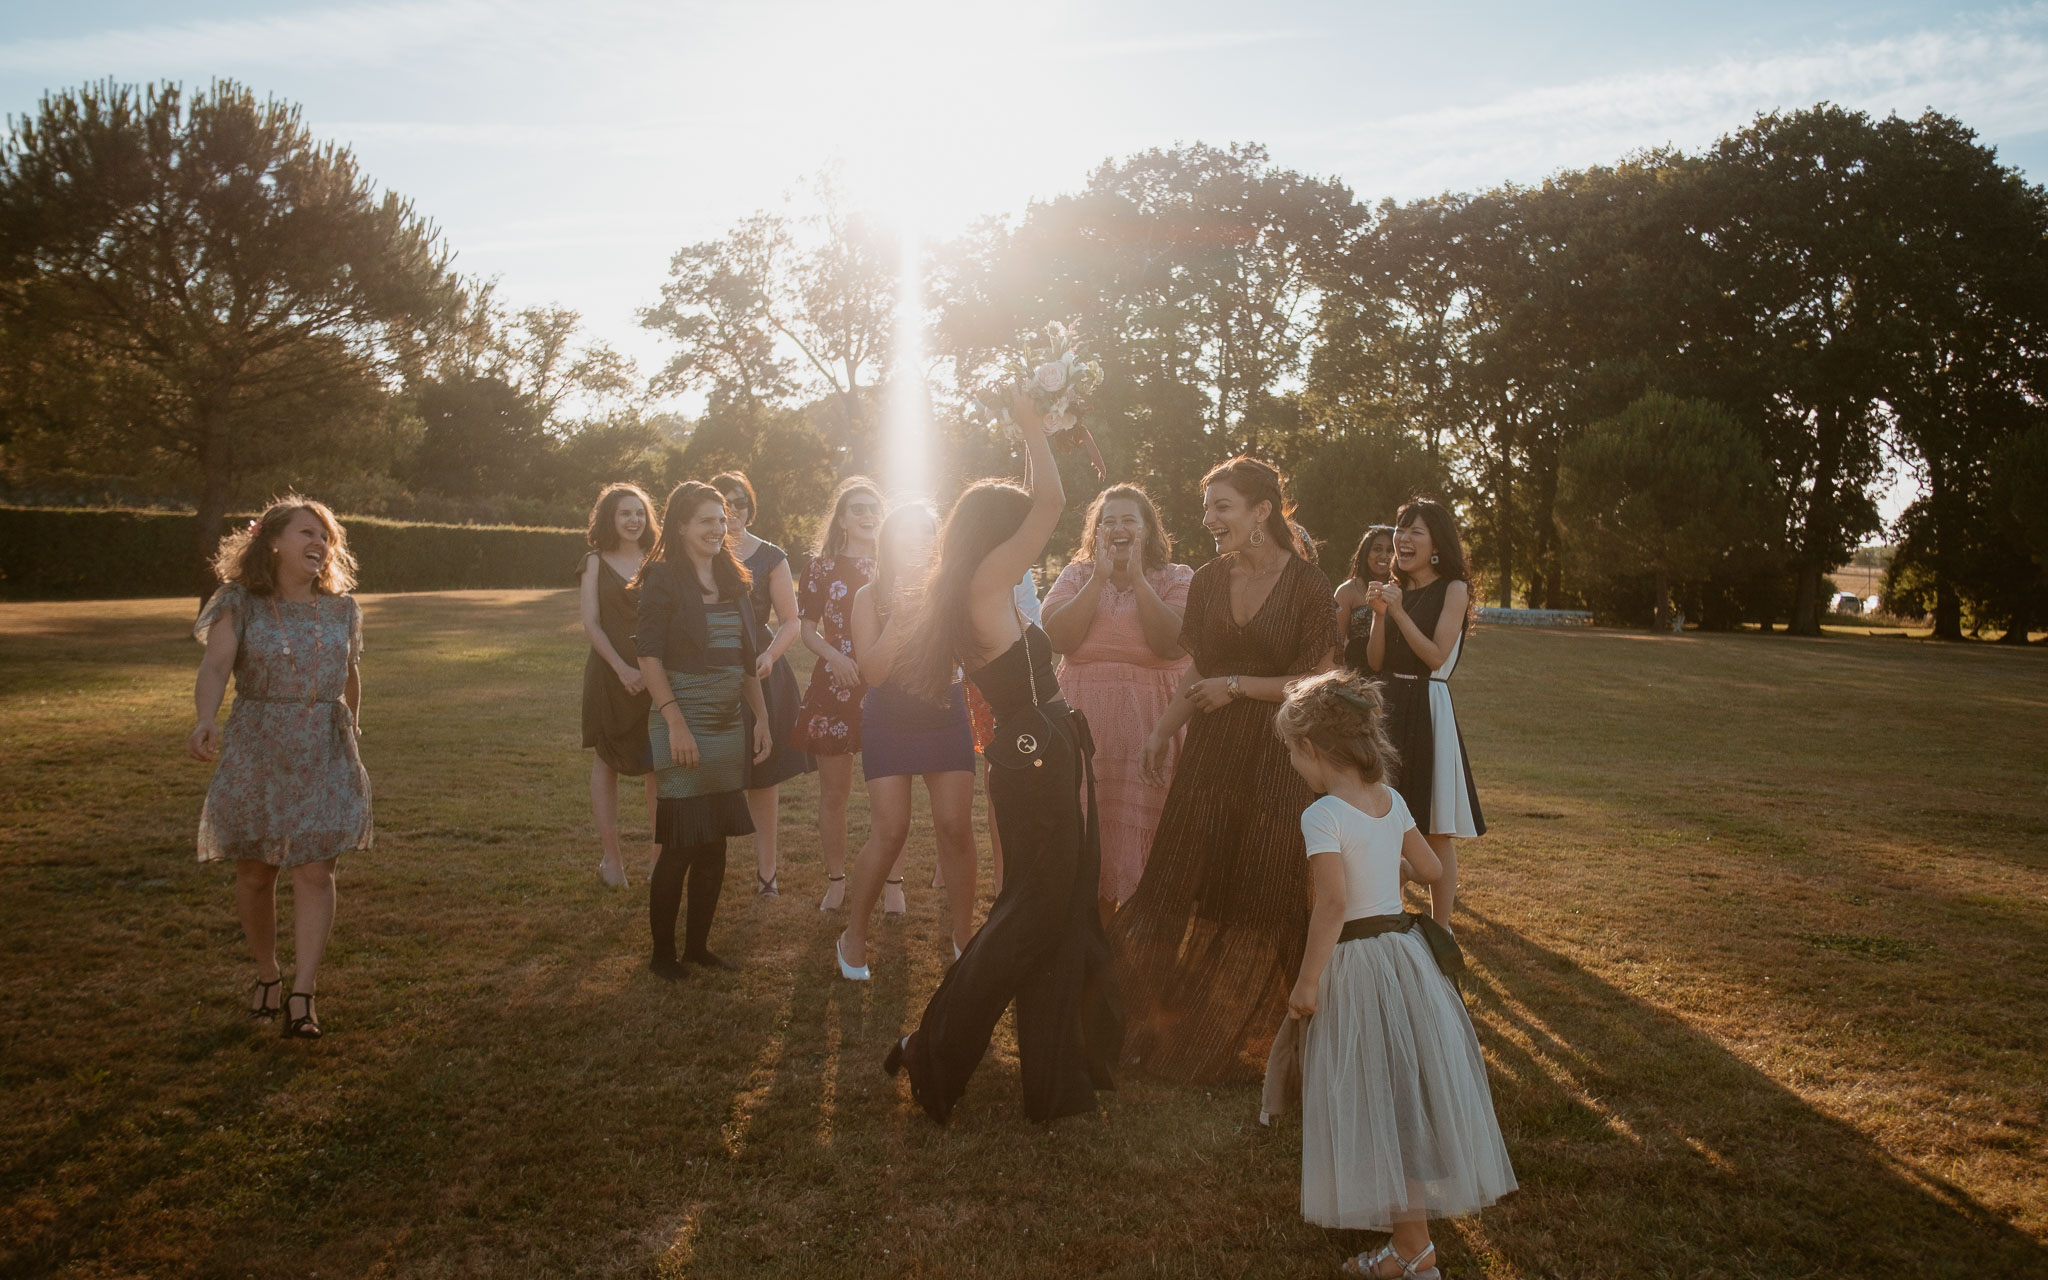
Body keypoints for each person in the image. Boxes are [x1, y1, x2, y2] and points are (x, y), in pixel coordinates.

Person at [881, 392, 1122, 1126]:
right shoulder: (986, 579)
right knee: (1033, 912)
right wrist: (1031, 424)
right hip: (1033, 758)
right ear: (996, 532)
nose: (1030, 531)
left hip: (1039, 753)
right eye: (1014, 523)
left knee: (1054, 912)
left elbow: (1031, 499)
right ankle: (933, 1047)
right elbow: (1050, 502)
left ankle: (1055, 1082)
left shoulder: (976, 579)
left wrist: (1042, 437)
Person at [1276, 670, 1515, 1275]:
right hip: (1404, 955)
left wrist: (1307, 982)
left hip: (1356, 962)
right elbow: (1433, 869)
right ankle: (1410, 1243)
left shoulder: (1322, 814)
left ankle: (1413, 1251)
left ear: (1310, 749)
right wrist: (1387, 872)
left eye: (1292, 754)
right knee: (1401, 1092)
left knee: (1375, 1090)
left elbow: (1331, 905)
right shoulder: (1391, 800)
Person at [1110, 456, 1339, 1084]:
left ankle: (1272, 1035)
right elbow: (1198, 668)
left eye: (1222, 507)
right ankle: (1152, 1025)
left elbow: (1316, 681)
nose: (1209, 519)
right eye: (1207, 507)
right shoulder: (1210, 580)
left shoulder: (1309, 587)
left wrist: (1238, 687)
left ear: (1262, 511)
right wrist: (1164, 728)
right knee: (1182, 878)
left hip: (1279, 754)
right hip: (1209, 753)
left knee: (1262, 889)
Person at [189, 496, 372, 1040]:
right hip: (258, 745)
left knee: (316, 869)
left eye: (326, 536)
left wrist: (353, 726)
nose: (320, 544)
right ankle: (268, 973)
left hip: (324, 744)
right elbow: (216, 663)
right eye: (307, 533)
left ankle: (303, 992)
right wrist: (205, 719)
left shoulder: (343, 609)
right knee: (256, 871)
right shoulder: (238, 603)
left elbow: (350, 673)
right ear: (272, 541)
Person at [634, 482, 774, 979]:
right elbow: (648, 656)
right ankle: (662, 956)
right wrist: (675, 724)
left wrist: (759, 719)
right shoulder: (662, 579)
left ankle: (697, 948)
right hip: (682, 718)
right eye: (707, 521)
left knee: (715, 843)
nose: (719, 528)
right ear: (681, 527)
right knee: (681, 843)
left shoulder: (734, 579)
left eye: (723, 518)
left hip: (728, 719)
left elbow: (744, 659)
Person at [834, 504, 979, 979]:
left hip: (944, 715)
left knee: (956, 826)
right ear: (890, 543)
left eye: (926, 535)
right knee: (890, 830)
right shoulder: (868, 597)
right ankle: (854, 935)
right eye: (906, 536)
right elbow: (873, 674)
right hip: (889, 720)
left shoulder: (952, 592)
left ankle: (962, 936)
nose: (917, 543)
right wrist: (899, 619)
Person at [1040, 484, 1193, 920]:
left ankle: (1144, 946)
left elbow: (1171, 645)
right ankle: (1093, 938)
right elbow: (1058, 638)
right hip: (1083, 733)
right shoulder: (1075, 574)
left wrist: (1140, 578)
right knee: (1089, 830)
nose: (1119, 528)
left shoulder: (1179, 577)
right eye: (1109, 520)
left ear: (1148, 529)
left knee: (1151, 836)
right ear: (1096, 529)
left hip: (1152, 728)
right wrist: (1099, 579)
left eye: (1130, 519)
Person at [1359, 499, 1485, 926]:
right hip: (1387, 708)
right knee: (1384, 819)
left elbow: (1434, 656)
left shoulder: (1453, 589)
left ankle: (1442, 926)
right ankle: (1387, 916)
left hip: (1428, 707)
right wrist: (1380, 617)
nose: (1402, 539)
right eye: (1400, 529)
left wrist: (1396, 610)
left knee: (1433, 828)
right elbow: (1375, 663)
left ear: (1435, 544)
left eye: (1415, 531)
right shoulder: (1396, 591)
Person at [712, 471, 814, 897]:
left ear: (750, 508)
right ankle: (704, 868)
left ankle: (767, 873)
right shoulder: (698, 552)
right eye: (723, 503)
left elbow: (791, 620)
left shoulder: (771, 555)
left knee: (762, 777)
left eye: (739, 502)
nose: (732, 510)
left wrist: (770, 656)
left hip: (761, 667)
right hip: (709, 670)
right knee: (712, 774)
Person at [796, 477, 883, 910]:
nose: (869, 516)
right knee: (835, 794)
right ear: (843, 520)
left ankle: (895, 884)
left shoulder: (896, 564)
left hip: (887, 685)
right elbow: (805, 629)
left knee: (891, 792)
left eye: (874, 508)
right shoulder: (820, 567)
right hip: (836, 684)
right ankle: (835, 879)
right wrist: (835, 657)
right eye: (858, 509)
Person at [578, 482, 660, 888]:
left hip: (656, 674)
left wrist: (650, 670)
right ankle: (612, 860)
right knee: (606, 760)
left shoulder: (659, 560)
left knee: (657, 766)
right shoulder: (594, 561)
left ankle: (659, 860)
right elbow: (591, 623)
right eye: (625, 513)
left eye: (640, 512)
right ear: (610, 518)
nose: (634, 520)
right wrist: (623, 670)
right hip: (610, 675)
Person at [1334, 525, 1396, 675]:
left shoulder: (1404, 590)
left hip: (1395, 677)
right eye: (1377, 549)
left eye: (1390, 550)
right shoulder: (1346, 591)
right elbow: (1335, 646)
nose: (1384, 555)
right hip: (1358, 680)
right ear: (1365, 553)